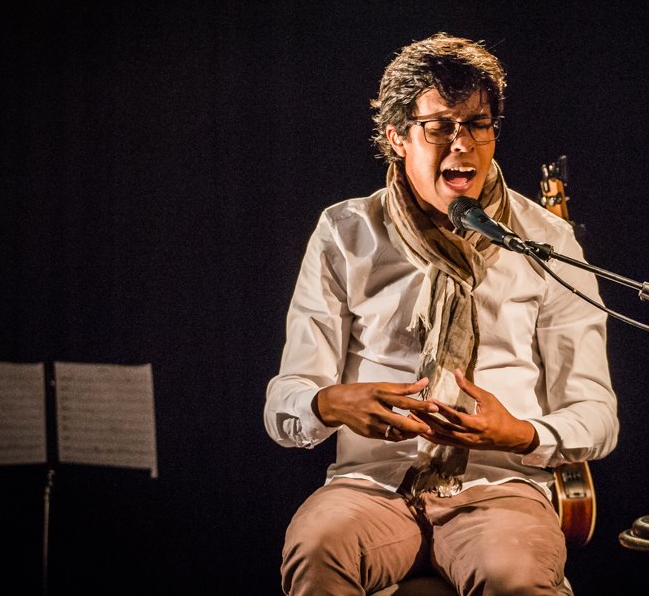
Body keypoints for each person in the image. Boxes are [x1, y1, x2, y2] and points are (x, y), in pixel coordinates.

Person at [263, 32, 618, 595]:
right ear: (396, 137)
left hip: (501, 488)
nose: (463, 144)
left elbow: (597, 414)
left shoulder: (546, 241)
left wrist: (521, 434)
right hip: (373, 485)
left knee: (513, 576)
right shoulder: (346, 232)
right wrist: (330, 403)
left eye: (478, 124)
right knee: (317, 549)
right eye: (439, 127)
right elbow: (286, 398)